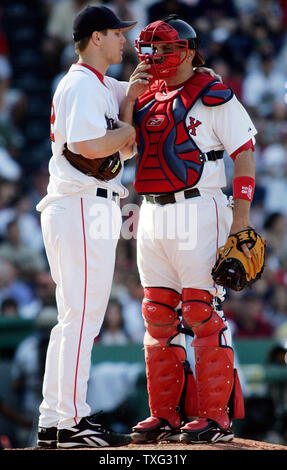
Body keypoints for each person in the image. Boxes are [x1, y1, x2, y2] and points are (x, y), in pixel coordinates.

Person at [120, 15, 258, 444]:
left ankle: (215, 418)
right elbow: (125, 152)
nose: (157, 56)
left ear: (189, 51)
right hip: (152, 212)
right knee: (157, 315)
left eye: (166, 48)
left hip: (202, 206)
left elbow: (246, 154)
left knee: (201, 311)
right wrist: (129, 97)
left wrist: (242, 222)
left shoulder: (214, 93)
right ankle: (166, 415)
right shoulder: (144, 97)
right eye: (153, 48)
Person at [35, 6, 137, 449]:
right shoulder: (79, 83)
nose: (123, 41)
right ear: (96, 37)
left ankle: (56, 419)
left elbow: (133, 90)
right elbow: (85, 144)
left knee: (74, 319)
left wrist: (130, 114)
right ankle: (71, 422)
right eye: (117, 33)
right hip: (80, 205)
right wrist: (126, 131)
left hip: (84, 205)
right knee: (81, 319)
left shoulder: (98, 84)